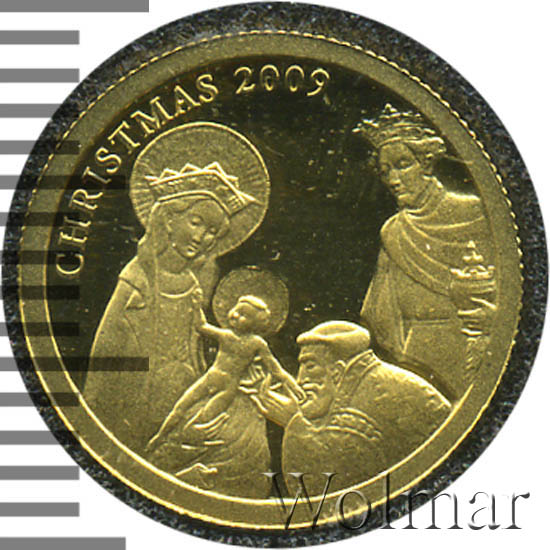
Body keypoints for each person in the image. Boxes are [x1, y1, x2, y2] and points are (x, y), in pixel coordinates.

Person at [84, 162, 259, 456]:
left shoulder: (194, 283)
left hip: (184, 397)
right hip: (134, 406)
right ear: (168, 219)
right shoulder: (137, 280)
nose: (202, 237)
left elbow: (194, 351)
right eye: (196, 222)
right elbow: (105, 357)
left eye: (212, 231)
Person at [353, 104, 495, 400]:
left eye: (403, 164)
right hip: (413, 355)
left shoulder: (475, 214)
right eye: (385, 171)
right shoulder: (393, 230)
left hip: (472, 349)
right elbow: (377, 315)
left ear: (427, 163)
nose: (393, 179)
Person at [251, 321, 451, 495]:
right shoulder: (365, 380)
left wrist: (294, 423)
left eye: (310, 366)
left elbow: (335, 486)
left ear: (338, 371)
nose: (300, 379)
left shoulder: (375, 395)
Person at [146, 292, 305, 452]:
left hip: (227, 389)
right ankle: (160, 436)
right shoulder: (226, 335)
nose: (235, 315)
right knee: (180, 406)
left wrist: (294, 386)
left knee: (204, 419)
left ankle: (180, 445)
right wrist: (196, 305)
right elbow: (201, 326)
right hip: (210, 378)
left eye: (243, 315)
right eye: (236, 310)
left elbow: (276, 370)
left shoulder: (257, 344)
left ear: (256, 324)